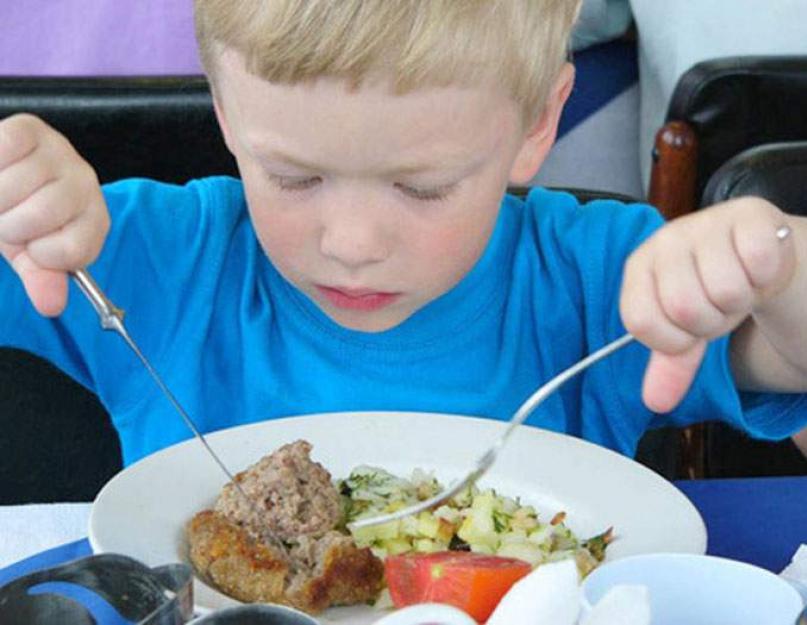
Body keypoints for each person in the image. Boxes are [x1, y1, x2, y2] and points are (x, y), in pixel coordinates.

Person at [0, 0, 805, 469]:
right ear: (225, 114)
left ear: (537, 124)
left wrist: (772, 265)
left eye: (422, 187)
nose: (351, 242)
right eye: (294, 176)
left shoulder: (591, 281)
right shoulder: (150, 262)